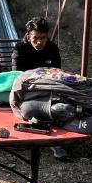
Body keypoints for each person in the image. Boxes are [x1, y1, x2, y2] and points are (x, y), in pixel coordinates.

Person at [13, 17, 69, 161]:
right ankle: (54, 141)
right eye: (35, 38)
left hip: (49, 87)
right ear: (28, 35)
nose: (39, 42)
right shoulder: (20, 49)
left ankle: (55, 136)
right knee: (32, 106)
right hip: (27, 90)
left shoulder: (52, 48)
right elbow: (17, 78)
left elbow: (57, 73)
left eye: (43, 38)